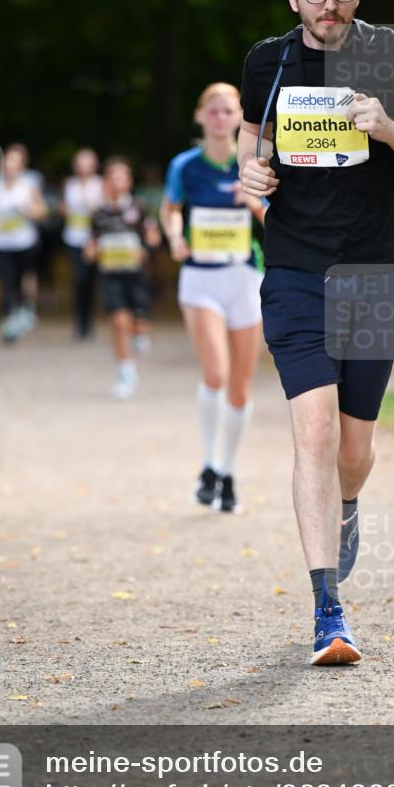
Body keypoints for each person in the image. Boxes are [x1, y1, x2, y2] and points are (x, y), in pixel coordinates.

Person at [238, 0, 394, 664]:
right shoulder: (267, 62)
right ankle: (328, 610)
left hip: (372, 275)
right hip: (294, 271)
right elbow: (249, 148)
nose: (329, 2)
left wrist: (386, 127)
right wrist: (250, 176)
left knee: (352, 452)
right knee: (315, 435)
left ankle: (348, 506)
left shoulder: (391, 55)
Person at [161, 83, 266, 514]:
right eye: (214, 111)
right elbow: (170, 209)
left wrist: (254, 202)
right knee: (216, 373)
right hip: (201, 280)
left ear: (241, 116)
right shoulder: (185, 165)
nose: (221, 118)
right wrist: (173, 237)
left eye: (229, 111)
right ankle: (207, 463)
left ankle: (226, 472)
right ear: (200, 116)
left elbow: (276, 218)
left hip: (244, 278)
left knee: (240, 388)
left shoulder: (254, 163)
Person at [86, 158, 159, 399]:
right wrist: (91, 251)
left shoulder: (139, 207)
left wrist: (145, 248)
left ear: (129, 181)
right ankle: (125, 373)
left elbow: (153, 238)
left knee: (138, 323)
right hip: (110, 275)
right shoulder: (98, 213)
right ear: (106, 181)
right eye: (113, 177)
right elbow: (92, 242)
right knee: (118, 322)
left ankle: (139, 333)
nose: (117, 182)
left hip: (136, 275)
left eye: (122, 177)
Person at [0, 144, 47, 343]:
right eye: (6, 163)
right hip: (0, 242)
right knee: (6, 281)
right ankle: (9, 321)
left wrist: (26, 210)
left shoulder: (28, 186)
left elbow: (42, 212)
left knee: (22, 281)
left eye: (13, 163)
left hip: (24, 242)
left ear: (21, 166)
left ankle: (24, 310)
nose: (9, 167)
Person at [61, 148, 104, 340]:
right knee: (80, 280)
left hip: (94, 240)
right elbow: (63, 207)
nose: (83, 167)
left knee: (91, 281)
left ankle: (90, 321)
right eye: (80, 163)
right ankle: (81, 323)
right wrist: (64, 210)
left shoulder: (100, 184)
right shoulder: (69, 184)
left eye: (87, 163)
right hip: (74, 238)